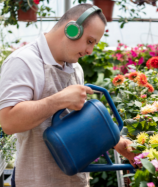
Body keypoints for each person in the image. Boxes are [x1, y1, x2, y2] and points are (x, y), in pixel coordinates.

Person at [0, 4, 136, 187]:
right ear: (72, 29)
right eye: (89, 41)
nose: (90, 51)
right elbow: (9, 122)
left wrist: (116, 141)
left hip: (75, 180)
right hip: (37, 180)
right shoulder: (24, 61)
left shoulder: (75, 68)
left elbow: (76, 123)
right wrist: (60, 99)